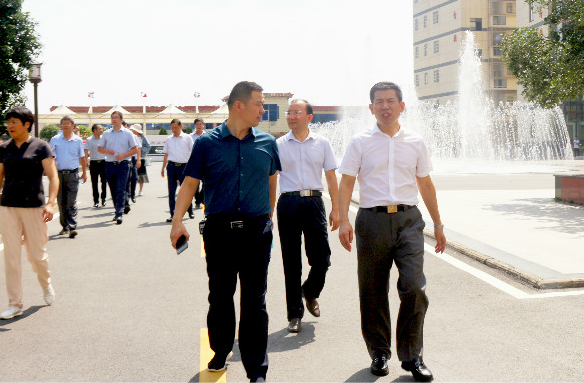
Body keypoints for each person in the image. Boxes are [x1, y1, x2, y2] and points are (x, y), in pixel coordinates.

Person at [169, 81, 281, 382]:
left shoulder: (267, 143)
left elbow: (272, 181)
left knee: (255, 300)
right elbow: (190, 183)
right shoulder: (207, 143)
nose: (263, 109)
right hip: (219, 232)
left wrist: (268, 216)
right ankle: (220, 350)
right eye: (259, 103)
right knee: (220, 296)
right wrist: (177, 221)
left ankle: (256, 369)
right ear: (238, 106)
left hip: (257, 232)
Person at [337, 82, 446, 382]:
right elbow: (347, 182)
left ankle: (412, 356)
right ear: (371, 107)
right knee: (372, 290)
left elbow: (425, 183)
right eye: (379, 102)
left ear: (402, 105)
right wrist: (344, 220)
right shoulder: (360, 142)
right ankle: (379, 352)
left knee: (414, 287)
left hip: (409, 220)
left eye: (390, 101)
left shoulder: (415, 141)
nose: (385, 106)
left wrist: (438, 224)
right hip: (371, 221)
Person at [0, 106, 59, 319]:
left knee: (37, 256)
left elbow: (53, 176)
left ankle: (45, 283)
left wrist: (51, 203)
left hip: (34, 207)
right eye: (8, 122)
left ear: (27, 124)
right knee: (11, 255)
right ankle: (15, 303)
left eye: (14, 122)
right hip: (8, 206)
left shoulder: (41, 146)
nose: (9, 126)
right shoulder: (4, 148)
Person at [276, 99, 339, 333]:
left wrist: (336, 209)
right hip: (288, 203)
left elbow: (331, 177)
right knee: (291, 262)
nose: (291, 117)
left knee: (322, 258)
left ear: (309, 117)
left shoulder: (322, 143)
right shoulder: (278, 144)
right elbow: (271, 179)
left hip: (314, 202)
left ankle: (310, 291)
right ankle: (294, 315)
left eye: (297, 112)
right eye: (289, 112)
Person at [49, 116, 88, 238]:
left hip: (73, 174)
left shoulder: (78, 140)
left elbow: (82, 157)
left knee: (71, 201)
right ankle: (64, 226)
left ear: (73, 126)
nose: (65, 125)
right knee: (61, 201)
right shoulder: (55, 139)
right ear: (61, 126)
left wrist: (84, 172)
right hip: (58, 174)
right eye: (63, 123)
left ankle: (72, 227)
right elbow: (50, 156)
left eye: (68, 123)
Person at [98, 111, 138, 224]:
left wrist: (124, 155)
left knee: (121, 189)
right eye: (112, 118)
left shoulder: (128, 133)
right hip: (110, 164)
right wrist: (107, 151)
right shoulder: (106, 134)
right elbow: (99, 149)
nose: (114, 119)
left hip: (123, 164)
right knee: (113, 189)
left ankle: (119, 214)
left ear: (121, 119)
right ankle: (117, 209)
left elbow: (135, 149)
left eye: (116, 118)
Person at [161, 118, 194, 222]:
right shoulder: (169, 139)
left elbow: (193, 153)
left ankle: (190, 210)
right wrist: (163, 168)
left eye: (176, 127)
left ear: (180, 127)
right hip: (171, 167)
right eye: (172, 128)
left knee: (186, 191)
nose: (174, 130)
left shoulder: (187, 138)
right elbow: (166, 154)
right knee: (171, 191)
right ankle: (173, 214)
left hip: (184, 167)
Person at [85, 124, 108, 207]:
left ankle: (103, 199)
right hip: (93, 163)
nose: (101, 130)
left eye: (102, 129)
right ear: (94, 130)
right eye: (100, 129)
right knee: (94, 182)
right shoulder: (89, 139)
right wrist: (85, 161)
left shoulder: (104, 139)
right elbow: (86, 150)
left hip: (103, 162)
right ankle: (96, 201)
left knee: (104, 182)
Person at [130, 124, 151, 196]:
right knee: (131, 175)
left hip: (141, 158)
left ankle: (141, 190)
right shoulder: (131, 136)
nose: (132, 130)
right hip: (132, 158)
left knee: (141, 175)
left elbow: (148, 146)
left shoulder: (143, 137)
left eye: (133, 129)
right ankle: (130, 190)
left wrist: (140, 150)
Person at [191, 118, 206, 209]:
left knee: (205, 183)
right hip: (194, 163)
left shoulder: (208, 136)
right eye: (197, 124)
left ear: (203, 125)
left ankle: (201, 197)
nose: (199, 126)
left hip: (205, 163)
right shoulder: (190, 137)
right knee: (195, 184)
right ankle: (197, 201)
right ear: (195, 125)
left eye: (201, 124)